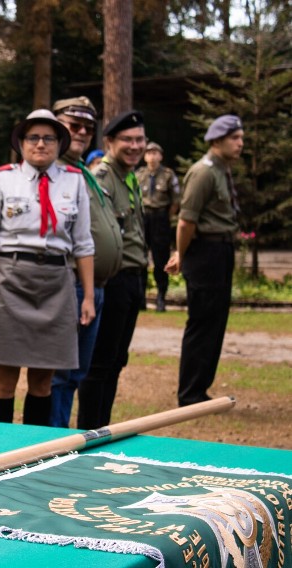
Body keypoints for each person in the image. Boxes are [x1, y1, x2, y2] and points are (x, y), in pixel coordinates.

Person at [0, 109, 95, 426]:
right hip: (10, 281)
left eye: (48, 138)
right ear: (21, 143)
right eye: (33, 137)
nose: (41, 144)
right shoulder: (2, 178)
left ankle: (32, 451)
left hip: (56, 282)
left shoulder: (74, 181)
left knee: (43, 383)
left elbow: (83, 243)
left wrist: (89, 296)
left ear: (59, 143)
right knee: (4, 382)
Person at [48, 97, 123, 428]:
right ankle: (54, 443)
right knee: (60, 374)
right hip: (67, 283)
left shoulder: (82, 172)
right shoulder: (52, 170)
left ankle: (65, 439)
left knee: (77, 372)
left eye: (87, 128)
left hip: (92, 287)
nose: (81, 132)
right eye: (72, 124)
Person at [165, 115, 243, 407]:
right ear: (217, 140)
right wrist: (181, 255)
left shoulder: (222, 169)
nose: (240, 144)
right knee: (202, 321)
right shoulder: (204, 172)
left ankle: (201, 390)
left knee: (216, 321)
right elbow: (186, 222)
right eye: (235, 138)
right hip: (204, 253)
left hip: (221, 251)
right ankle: (190, 393)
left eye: (241, 138)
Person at [77, 111, 148, 430]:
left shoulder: (130, 177)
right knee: (101, 363)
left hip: (134, 278)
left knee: (117, 360)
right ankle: (91, 429)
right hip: (115, 280)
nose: (135, 146)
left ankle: (103, 426)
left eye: (140, 140)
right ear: (109, 142)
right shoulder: (102, 177)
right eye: (127, 140)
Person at [137, 141, 180, 312]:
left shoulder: (168, 175)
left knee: (161, 258)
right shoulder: (139, 174)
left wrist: (166, 217)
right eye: (149, 153)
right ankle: (140, 297)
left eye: (155, 153)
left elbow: (176, 200)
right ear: (145, 156)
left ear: (161, 156)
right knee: (140, 257)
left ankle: (161, 296)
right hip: (143, 218)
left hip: (160, 218)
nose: (152, 156)